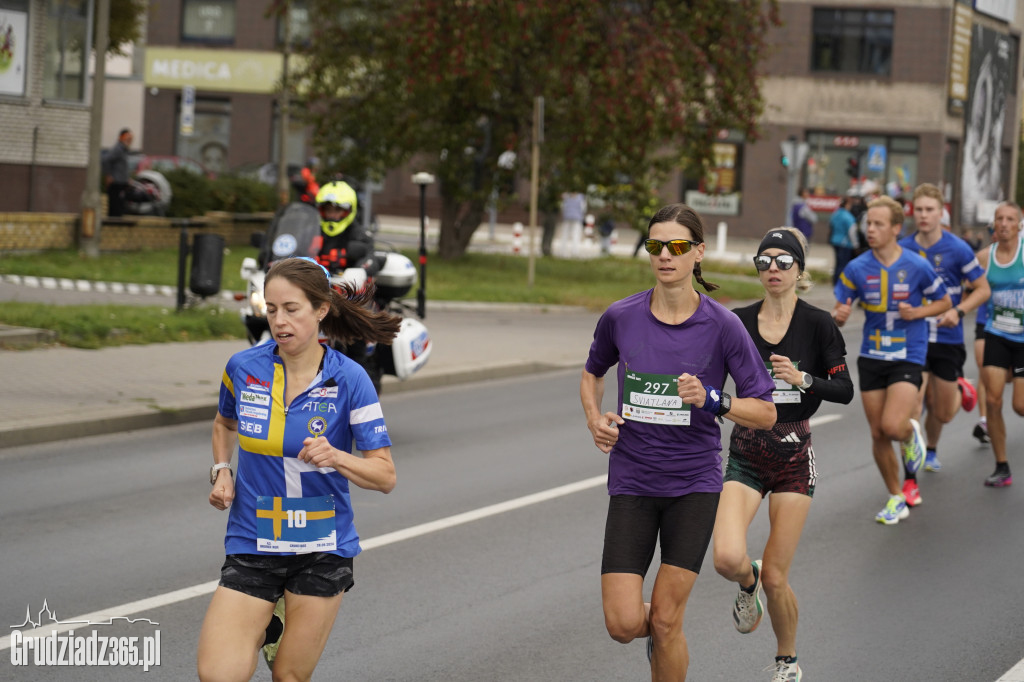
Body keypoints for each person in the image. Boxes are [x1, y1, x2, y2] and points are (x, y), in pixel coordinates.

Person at [580, 203, 776, 680]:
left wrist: (715, 400)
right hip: (632, 482)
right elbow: (592, 374)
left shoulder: (722, 326)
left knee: (666, 622)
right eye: (655, 246)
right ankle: (661, 640)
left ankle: (680, 631)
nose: (665, 255)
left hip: (693, 485)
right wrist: (594, 420)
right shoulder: (621, 317)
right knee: (624, 624)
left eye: (678, 246)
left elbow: (766, 412)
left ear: (698, 253)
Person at [197, 257, 400, 681]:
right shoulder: (244, 368)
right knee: (218, 675)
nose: (279, 321)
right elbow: (224, 422)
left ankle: (278, 625)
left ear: (321, 309)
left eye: (292, 309)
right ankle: (270, 622)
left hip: (321, 547)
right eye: (271, 310)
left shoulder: (350, 380)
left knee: (288, 676)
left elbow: (385, 476)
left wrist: (337, 456)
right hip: (254, 538)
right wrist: (221, 469)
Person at [714, 227, 853, 681]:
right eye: (764, 261)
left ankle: (787, 661)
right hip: (748, 450)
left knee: (778, 576)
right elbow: (711, 378)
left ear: (799, 270)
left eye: (783, 261)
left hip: (795, 453)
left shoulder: (818, 324)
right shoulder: (736, 321)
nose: (772, 269)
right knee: (726, 559)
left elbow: (845, 390)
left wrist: (802, 379)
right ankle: (746, 580)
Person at [833, 195, 951, 525]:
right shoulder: (856, 267)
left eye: (878, 224)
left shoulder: (917, 265)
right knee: (878, 434)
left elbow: (944, 301)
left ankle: (911, 435)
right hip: (871, 355)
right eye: (868, 223)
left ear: (896, 228)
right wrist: (839, 316)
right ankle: (895, 495)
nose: (870, 229)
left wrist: (919, 312)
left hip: (907, 355)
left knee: (892, 425)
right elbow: (840, 308)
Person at [897, 183, 988, 496]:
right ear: (913, 211)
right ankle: (910, 477)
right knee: (914, 404)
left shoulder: (958, 249)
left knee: (943, 410)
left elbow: (983, 289)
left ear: (941, 212)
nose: (923, 215)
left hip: (948, 338)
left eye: (929, 210)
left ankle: (932, 446)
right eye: (918, 209)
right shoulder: (904, 247)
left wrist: (959, 312)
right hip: (915, 338)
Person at [975, 201, 1024, 487]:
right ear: (994, 224)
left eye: (1010, 219)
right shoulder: (984, 257)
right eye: (999, 219)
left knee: (1020, 406)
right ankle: (1002, 466)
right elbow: (964, 286)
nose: (1004, 223)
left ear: (1019, 225)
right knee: (993, 400)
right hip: (996, 333)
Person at [314, 180, 377, 277]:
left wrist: (358, 273)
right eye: (327, 209)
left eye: (338, 210)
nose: (332, 214)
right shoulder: (312, 232)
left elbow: (370, 259)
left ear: (349, 210)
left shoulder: (359, 235)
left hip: (346, 288)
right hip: (312, 284)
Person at [102, 128, 133, 217]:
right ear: (121, 138)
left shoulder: (124, 150)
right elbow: (106, 160)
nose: (129, 140)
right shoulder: (118, 149)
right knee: (115, 209)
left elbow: (122, 167)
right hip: (116, 184)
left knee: (120, 208)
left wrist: (127, 178)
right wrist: (108, 175)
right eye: (127, 138)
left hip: (121, 183)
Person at [828, 196, 858, 285]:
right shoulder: (848, 216)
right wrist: (855, 245)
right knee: (843, 264)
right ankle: (840, 282)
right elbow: (852, 232)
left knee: (837, 263)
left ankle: (835, 280)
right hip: (845, 243)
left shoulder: (836, 214)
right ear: (847, 204)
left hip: (835, 241)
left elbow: (831, 225)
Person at [560, 191, 586, 258]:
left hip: (567, 217)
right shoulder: (580, 197)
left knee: (565, 235)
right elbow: (583, 208)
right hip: (576, 218)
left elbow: (562, 207)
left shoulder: (565, 196)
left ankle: (563, 251)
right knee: (575, 235)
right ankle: (574, 252)